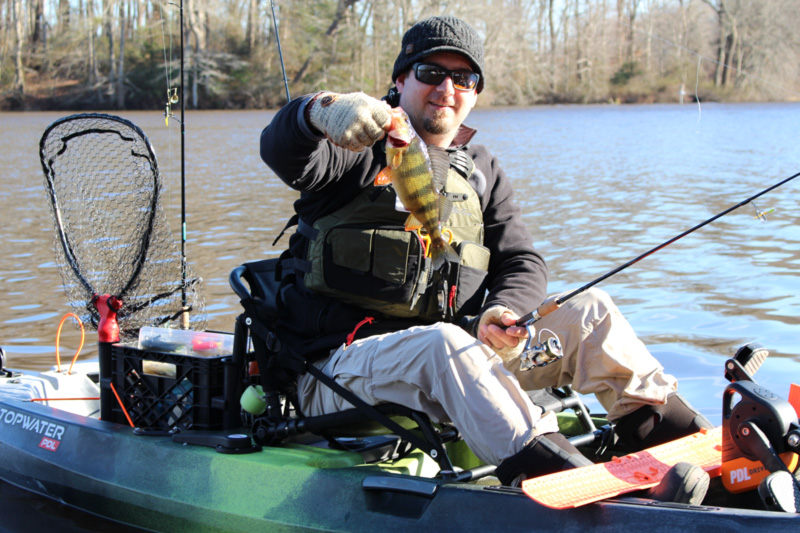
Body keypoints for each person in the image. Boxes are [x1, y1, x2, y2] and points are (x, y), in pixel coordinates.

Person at [260, 15, 712, 498]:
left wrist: (504, 312)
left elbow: (522, 260)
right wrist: (318, 110)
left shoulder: (480, 171)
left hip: (458, 355)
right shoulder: (353, 146)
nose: (447, 88)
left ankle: (690, 454)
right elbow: (283, 149)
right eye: (431, 72)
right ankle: (580, 487)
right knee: (442, 344)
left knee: (590, 312)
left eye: (464, 78)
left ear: (476, 92)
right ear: (400, 80)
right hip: (337, 372)